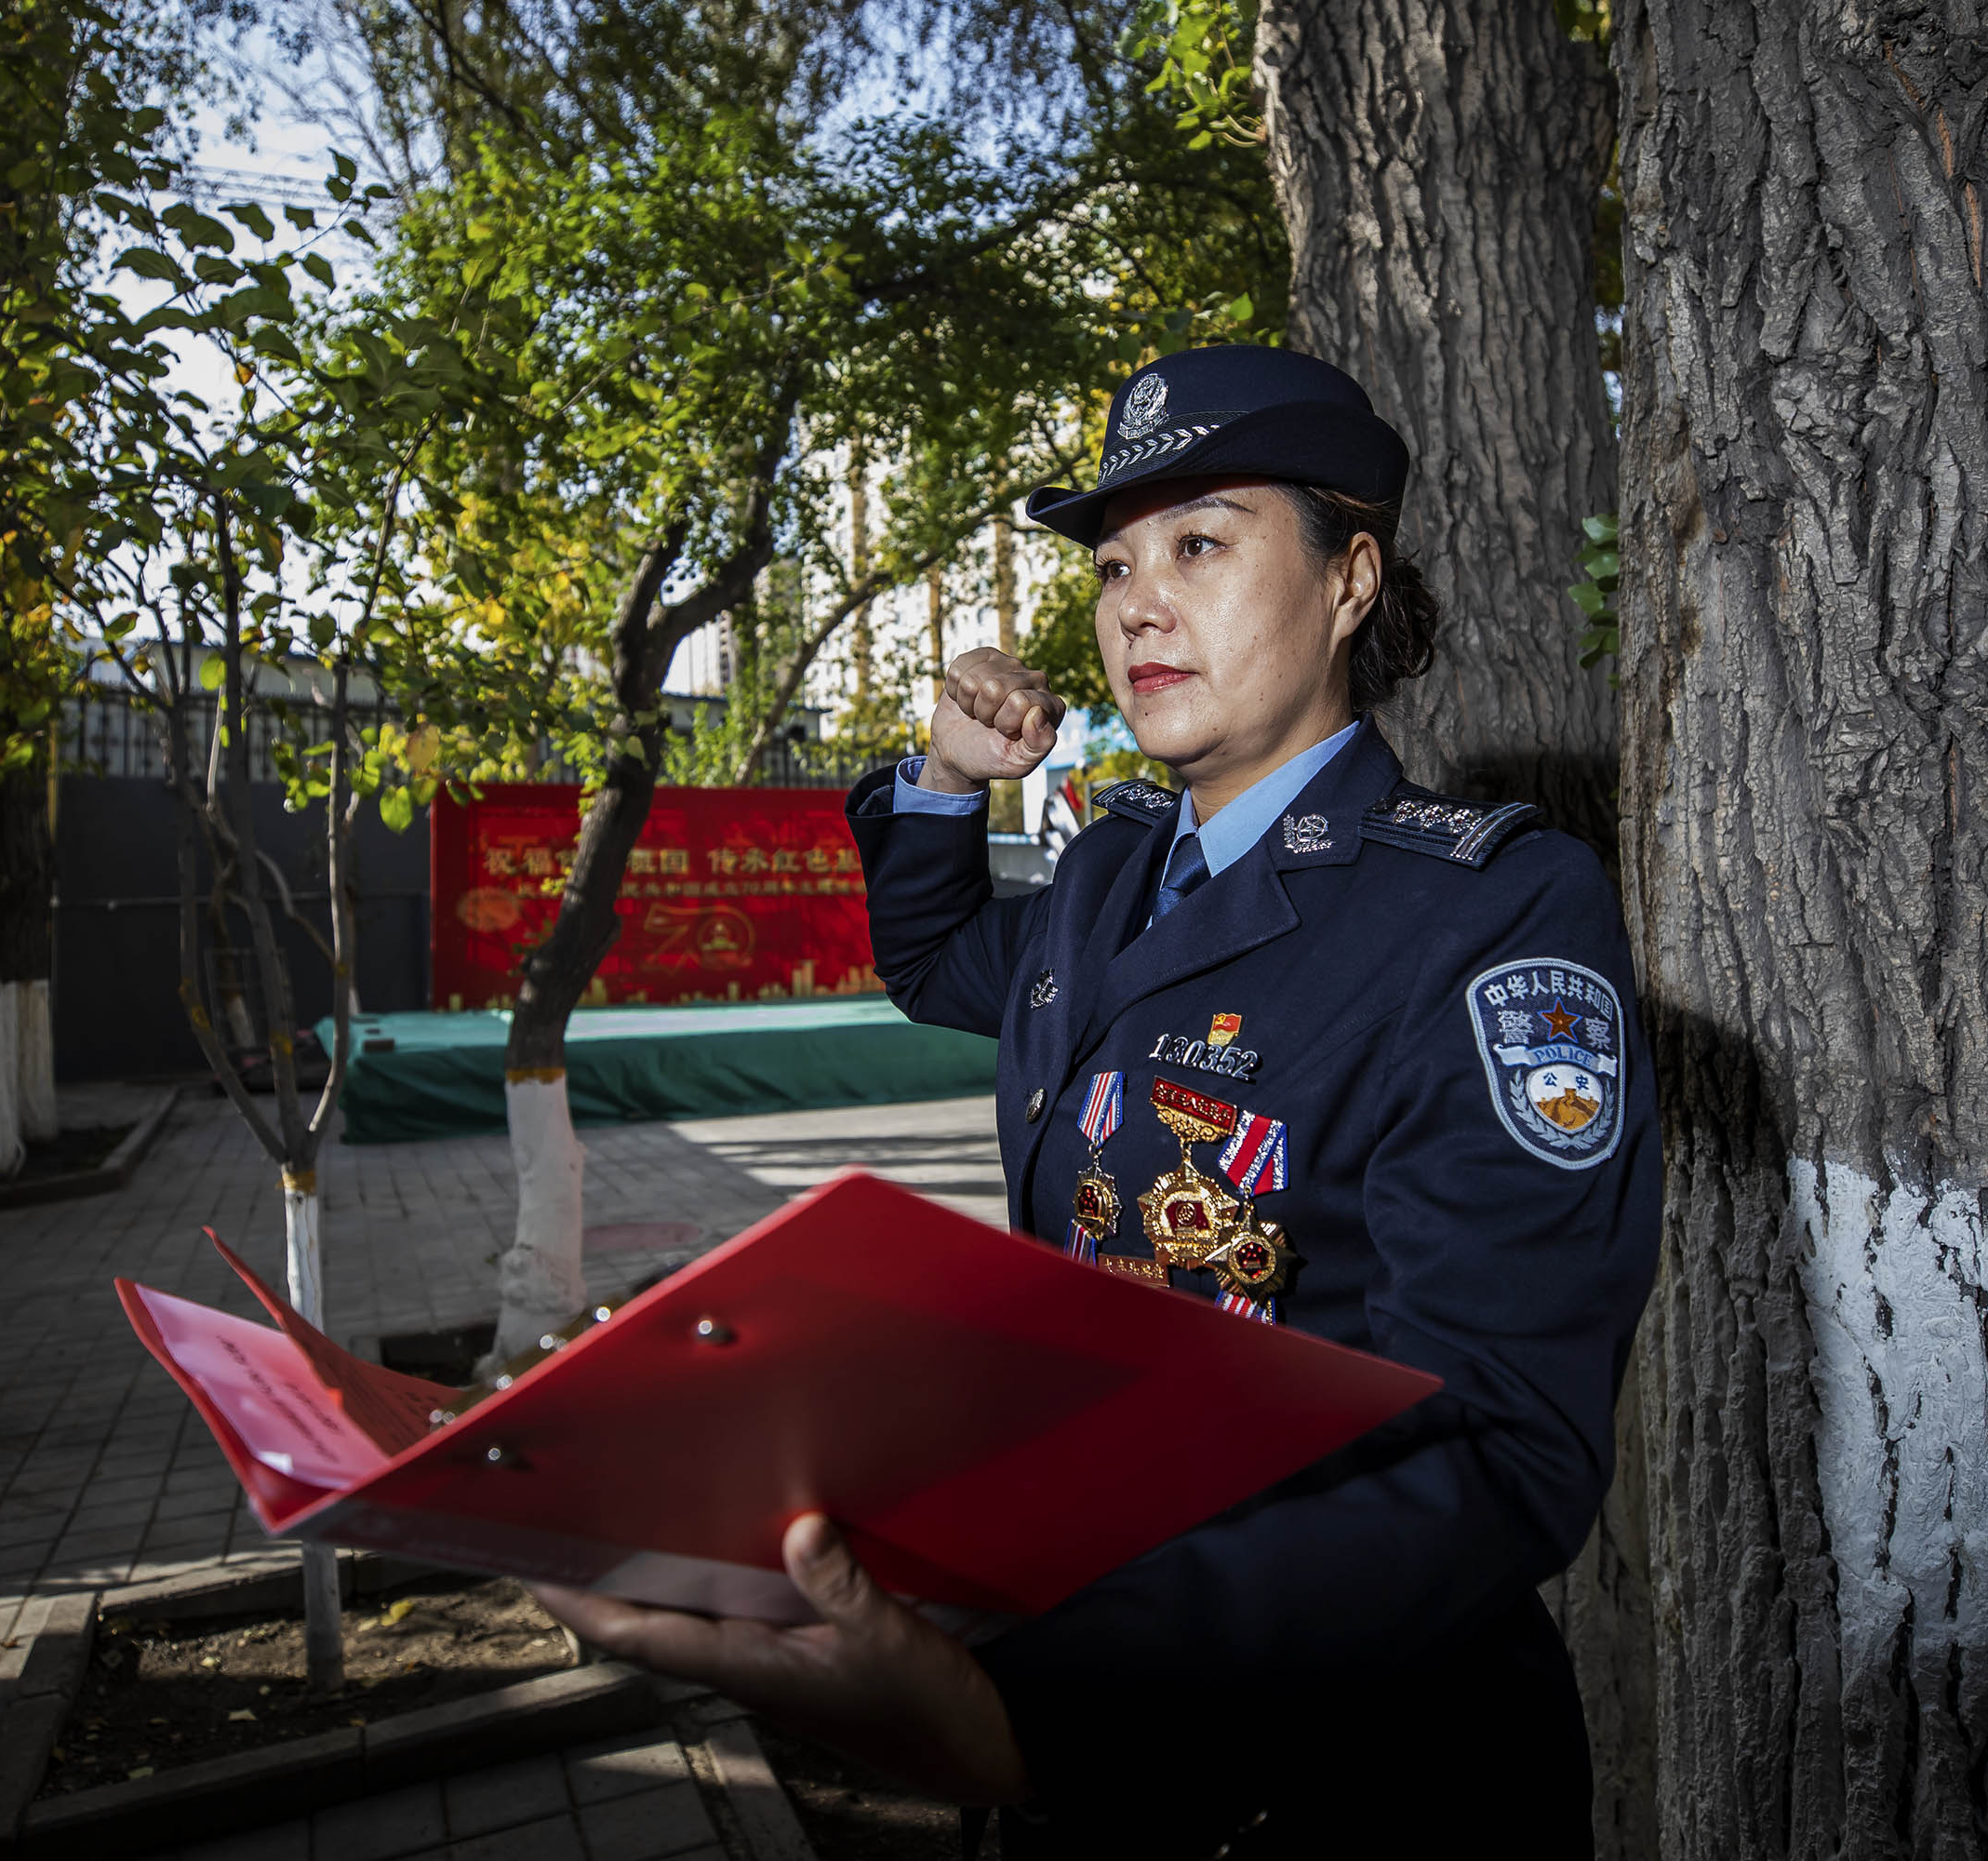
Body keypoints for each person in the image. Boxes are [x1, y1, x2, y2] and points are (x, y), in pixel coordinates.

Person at [533, 344, 1661, 1856]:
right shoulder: (1116, 871)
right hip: (1063, 1693)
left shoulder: (1488, 915)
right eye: (1117, 562)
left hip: (1346, 1750)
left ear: (1350, 579)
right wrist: (947, 772)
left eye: (1201, 543)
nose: (1137, 600)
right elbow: (934, 963)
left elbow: (1506, 1449)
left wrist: (1036, 1704)